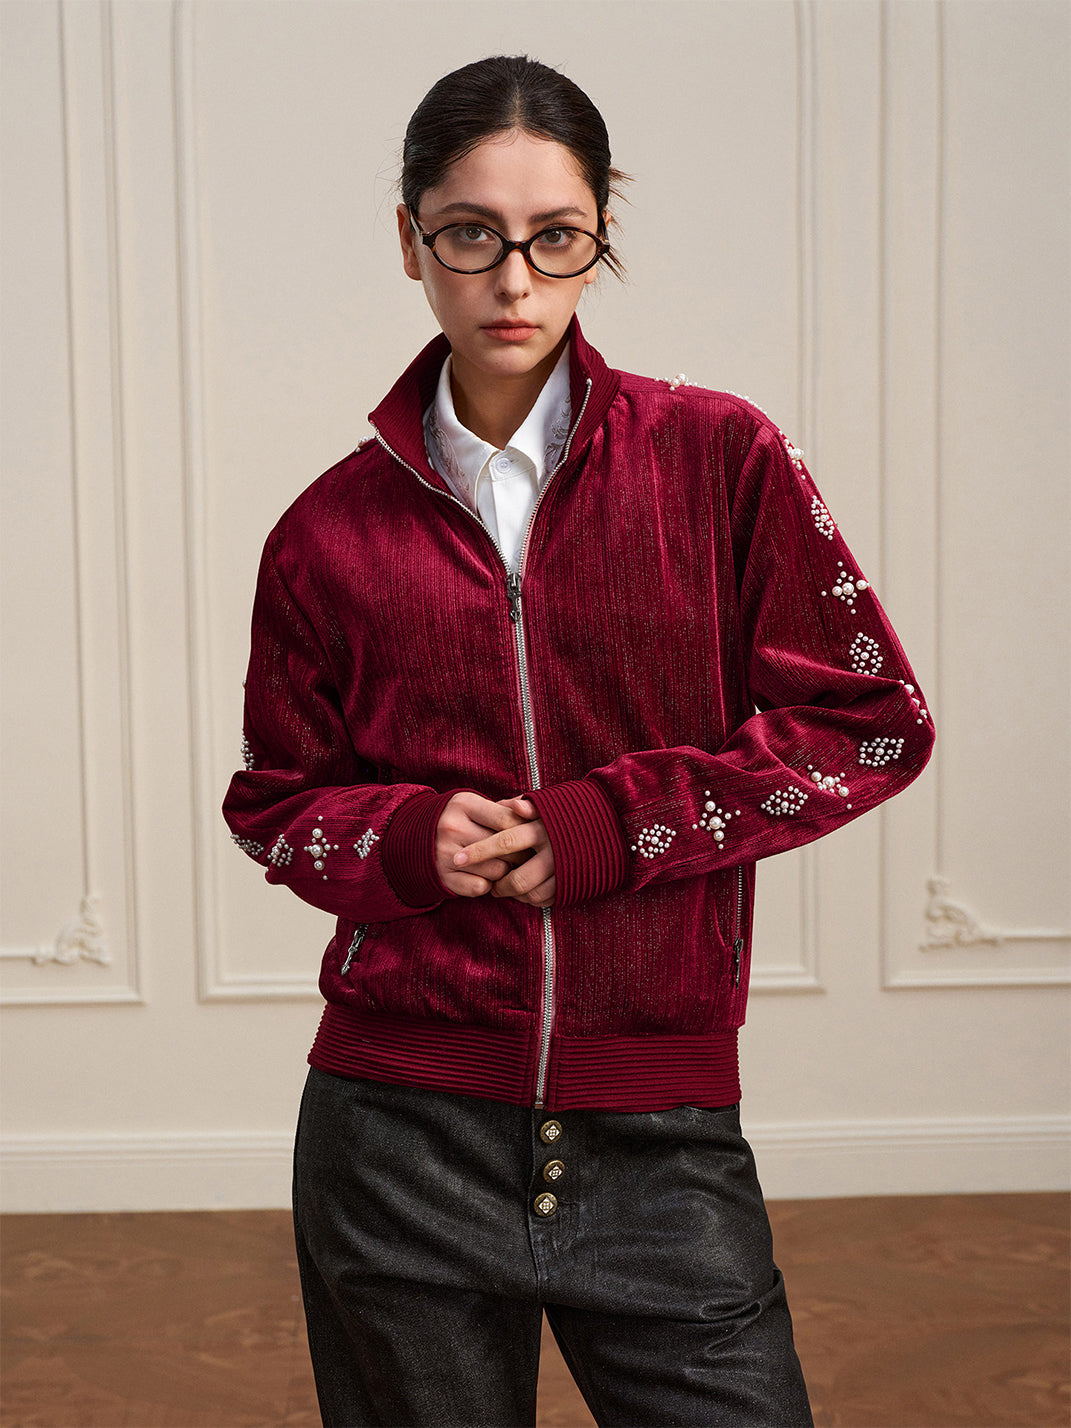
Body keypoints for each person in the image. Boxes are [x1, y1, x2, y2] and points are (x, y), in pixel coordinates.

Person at [223, 54, 933, 1428]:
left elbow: (871, 721)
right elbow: (277, 804)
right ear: (410, 240)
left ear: (601, 233)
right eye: (469, 235)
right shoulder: (324, 535)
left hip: (657, 1134)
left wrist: (616, 826)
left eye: (556, 237)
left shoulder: (720, 459)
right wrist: (407, 841)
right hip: (395, 1139)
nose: (514, 280)